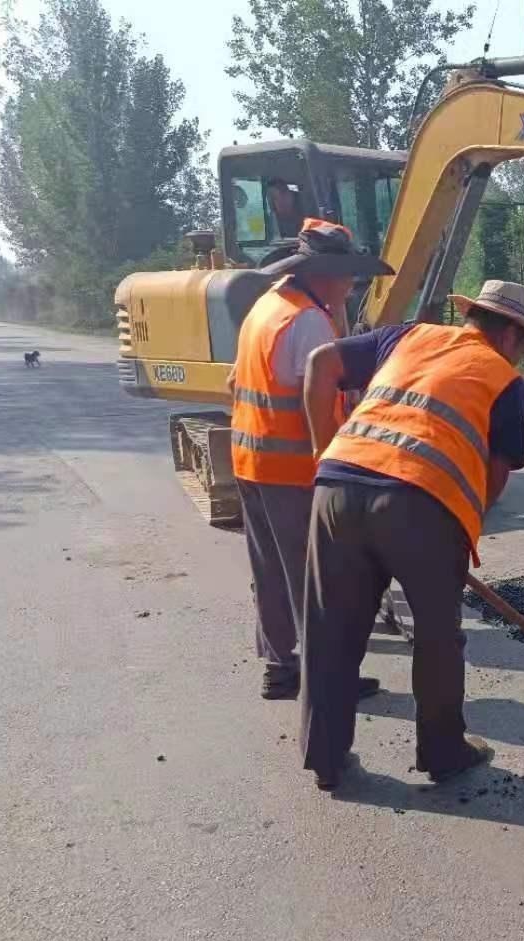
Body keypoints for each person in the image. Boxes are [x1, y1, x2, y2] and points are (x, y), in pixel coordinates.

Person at [298, 281, 524, 791]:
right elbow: (494, 478)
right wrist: (459, 524)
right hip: (422, 506)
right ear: (513, 335)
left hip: (337, 487)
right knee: (436, 637)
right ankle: (444, 752)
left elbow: (321, 363)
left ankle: (326, 759)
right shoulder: (505, 380)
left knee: (330, 631)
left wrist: (325, 453)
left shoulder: (407, 336)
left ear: (471, 315)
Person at [230, 218, 392, 701]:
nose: (351, 284)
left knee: (272, 572)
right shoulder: (308, 321)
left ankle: (280, 668)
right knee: (317, 578)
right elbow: (319, 392)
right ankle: (328, 679)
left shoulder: (270, 307)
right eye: (346, 275)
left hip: (251, 462)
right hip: (294, 470)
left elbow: (233, 384)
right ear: (322, 273)